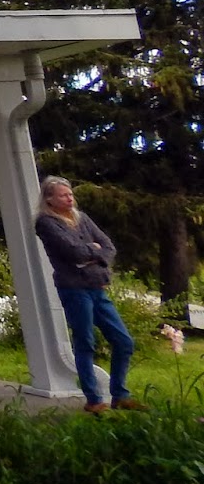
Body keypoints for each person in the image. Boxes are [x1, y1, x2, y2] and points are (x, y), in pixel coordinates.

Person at [33, 175, 143, 413]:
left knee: (123, 341)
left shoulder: (82, 218)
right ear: (50, 199)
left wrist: (94, 253)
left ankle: (120, 395)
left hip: (97, 287)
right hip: (74, 289)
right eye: (63, 195)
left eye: (70, 194)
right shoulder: (46, 222)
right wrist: (93, 251)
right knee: (85, 342)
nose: (70, 198)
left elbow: (108, 246)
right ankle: (93, 400)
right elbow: (73, 252)